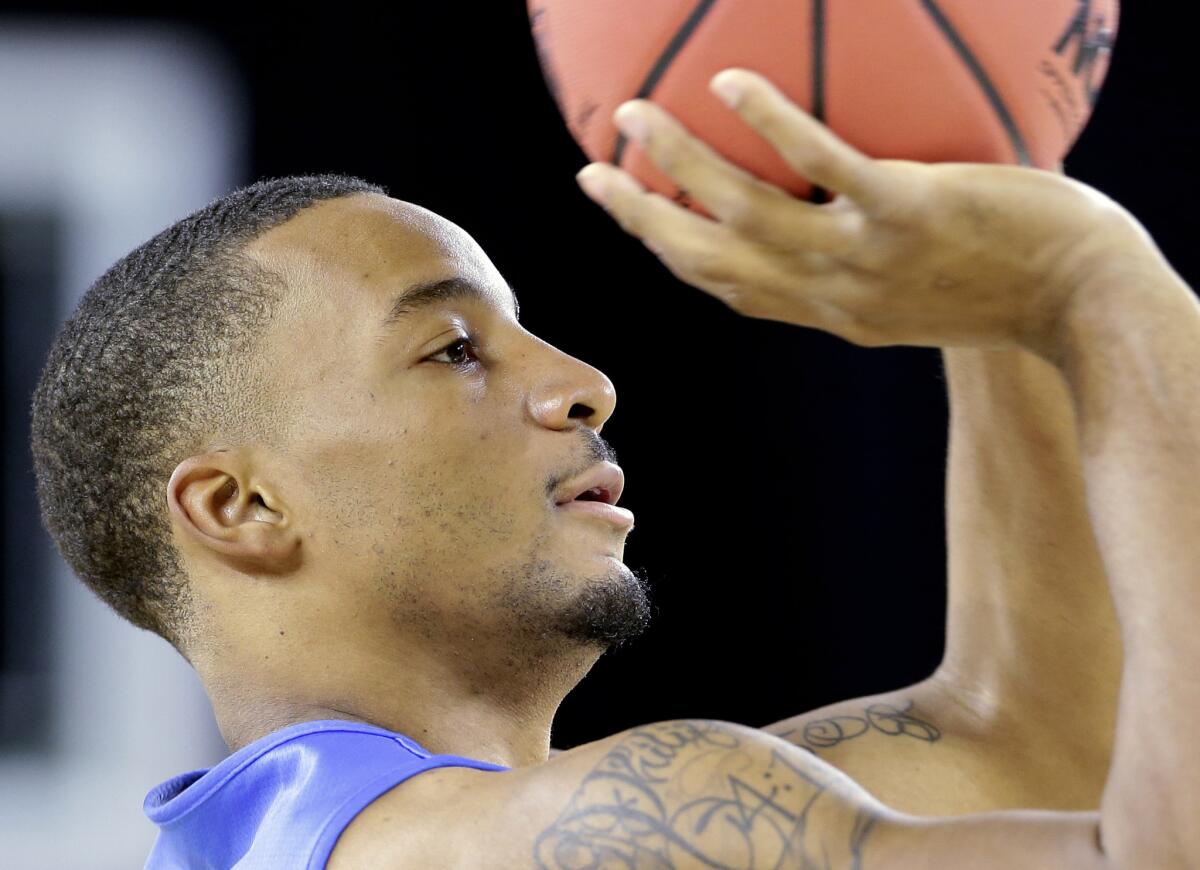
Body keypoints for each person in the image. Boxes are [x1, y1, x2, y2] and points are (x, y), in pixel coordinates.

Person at [29, 67, 1194, 868]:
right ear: (242, 506)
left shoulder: (454, 836)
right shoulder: (595, 833)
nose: (585, 381)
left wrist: (986, 226)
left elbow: (1040, 742)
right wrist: (1101, 288)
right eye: (452, 350)